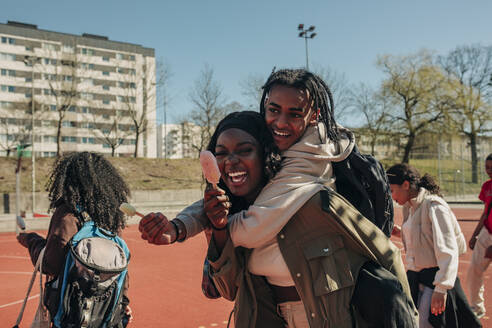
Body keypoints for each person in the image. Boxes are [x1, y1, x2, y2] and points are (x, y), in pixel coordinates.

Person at [199, 111, 417, 327]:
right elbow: (229, 290)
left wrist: (407, 316)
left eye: (245, 150)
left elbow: (386, 254)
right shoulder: (233, 216)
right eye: (221, 153)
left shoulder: (313, 200)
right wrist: (218, 230)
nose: (231, 161)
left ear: (266, 153)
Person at [140, 68, 357, 246]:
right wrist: (179, 226)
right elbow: (223, 197)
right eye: (274, 110)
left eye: (295, 114)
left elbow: (251, 230)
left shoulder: (309, 157)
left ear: (314, 116)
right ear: (265, 106)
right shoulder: (282, 145)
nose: (281, 122)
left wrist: (217, 228)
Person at [16, 151, 133, 327]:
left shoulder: (68, 213)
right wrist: (123, 303)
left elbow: (50, 263)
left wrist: (30, 239)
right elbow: (120, 267)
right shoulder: (110, 217)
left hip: (71, 314)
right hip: (107, 314)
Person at [386, 163, 481, 328]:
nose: (391, 196)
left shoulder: (434, 206)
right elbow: (425, 240)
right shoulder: (410, 208)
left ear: (406, 185)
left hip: (435, 281)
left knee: (428, 323)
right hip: (418, 279)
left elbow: (448, 248)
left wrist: (441, 289)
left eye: (392, 190)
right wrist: (402, 233)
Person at [467, 153, 492, 319]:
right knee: (474, 271)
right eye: (487, 167)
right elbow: (485, 213)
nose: (488, 170)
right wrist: (475, 235)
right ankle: (477, 307)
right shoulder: (487, 186)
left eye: (491, 167)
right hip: (486, 232)